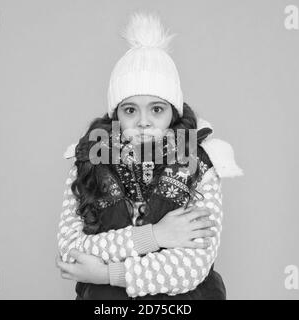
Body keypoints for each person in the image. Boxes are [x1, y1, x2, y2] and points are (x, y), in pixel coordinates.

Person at [56, 12, 243, 300]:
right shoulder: (88, 161)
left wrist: (107, 274)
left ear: (173, 112)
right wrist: (156, 236)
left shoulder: (200, 164)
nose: (144, 121)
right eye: (130, 109)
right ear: (115, 113)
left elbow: (193, 266)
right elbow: (72, 250)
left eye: (156, 109)